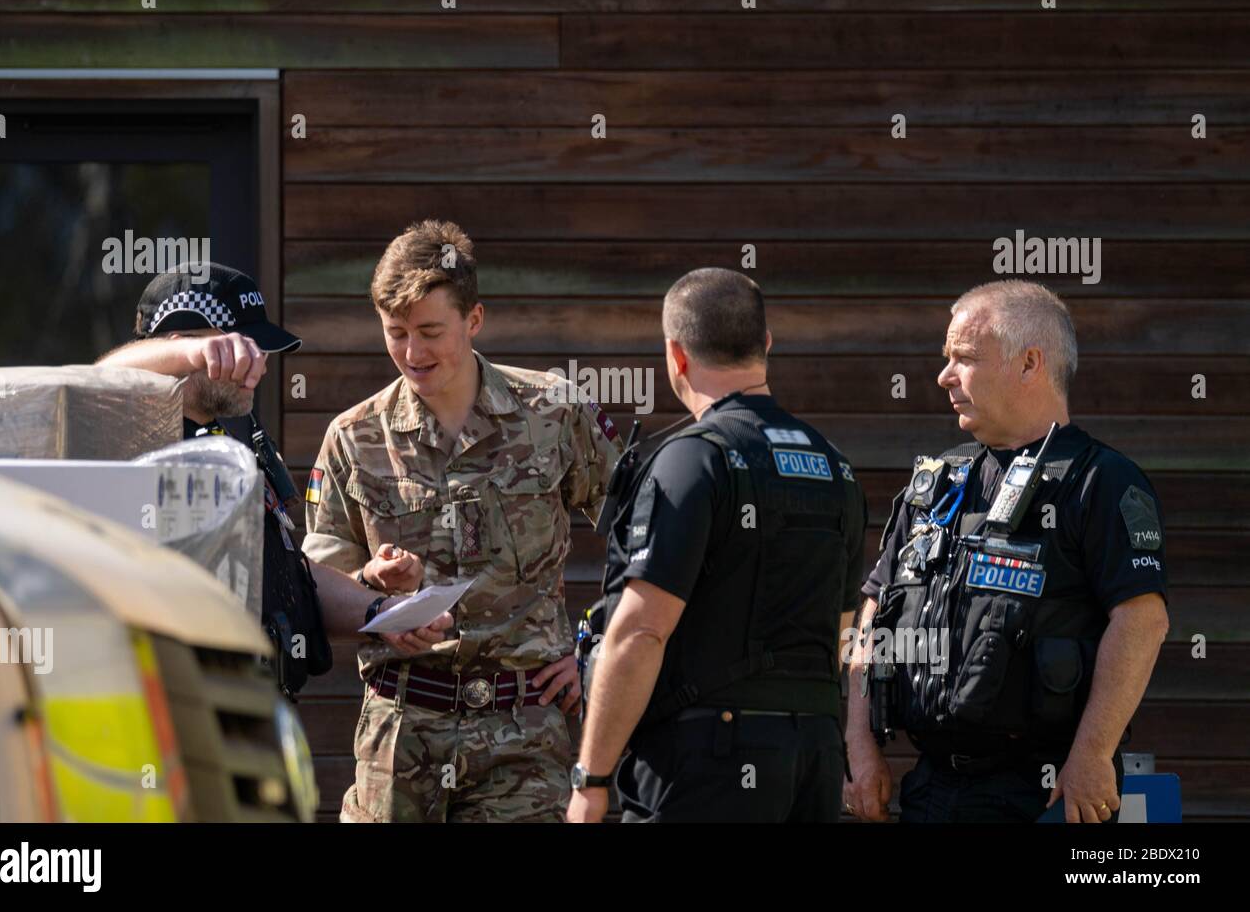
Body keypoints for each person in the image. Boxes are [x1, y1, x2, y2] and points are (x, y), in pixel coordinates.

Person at [301, 219, 622, 822]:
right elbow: (315, 577)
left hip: (523, 738)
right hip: (400, 739)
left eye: (430, 331)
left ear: (474, 320)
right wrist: (373, 587)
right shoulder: (354, 438)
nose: (413, 354)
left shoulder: (552, 413)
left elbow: (646, 535)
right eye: (395, 333)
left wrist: (597, 645)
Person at [844, 279, 1170, 823]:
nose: (944, 375)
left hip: (1041, 794)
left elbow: (1142, 621)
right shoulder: (938, 482)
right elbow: (874, 611)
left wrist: (1090, 754)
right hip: (929, 789)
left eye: (964, 358)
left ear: (1029, 363)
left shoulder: (1101, 481)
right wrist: (860, 747)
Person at [566, 268, 869, 823]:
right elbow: (842, 633)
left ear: (675, 355)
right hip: (813, 764)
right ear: (767, 344)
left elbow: (640, 630)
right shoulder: (835, 467)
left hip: (706, 767)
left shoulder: (692, 459)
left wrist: (591, 781)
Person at [99, 262, 413, 698]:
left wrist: (379, 606)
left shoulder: (227, 447)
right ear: (179, 345)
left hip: (255, 710)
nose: (260, 366)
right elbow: (104, 380)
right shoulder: (140, 434)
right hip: (179, 717)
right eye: (246, 351)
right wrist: (191, 356)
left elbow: (289, 574)